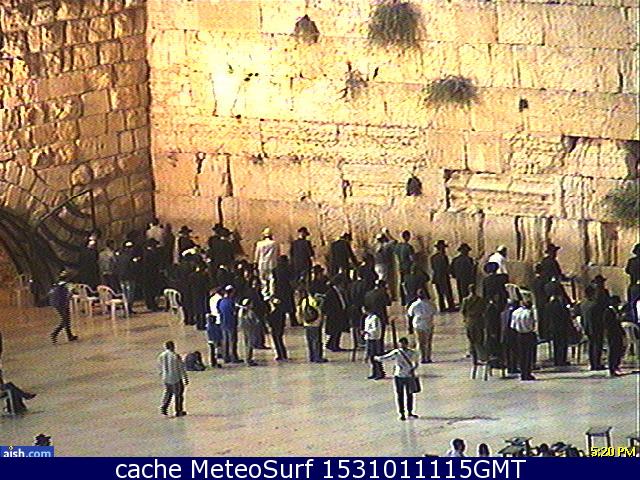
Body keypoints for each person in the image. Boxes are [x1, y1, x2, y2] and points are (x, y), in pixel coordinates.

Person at [375, 337, 419, 421]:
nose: (402, 345)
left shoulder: (407, 353)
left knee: (408, 395)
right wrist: (378, 358)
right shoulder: (399, 352)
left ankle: (409, 412)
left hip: (405, 376)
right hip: (401, 375)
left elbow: (416, 363)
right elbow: (387, 357)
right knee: (402, 395)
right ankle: (403, 413)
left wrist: (377, 358)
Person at [158, 341, 188, 417]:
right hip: (176, 378)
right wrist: (185, 378)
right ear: (172, 346)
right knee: (178, 395)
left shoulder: (161, 355)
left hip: (166, 378)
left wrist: (161, 375)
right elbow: (181, 368)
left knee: (168, 393)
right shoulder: (175, 356)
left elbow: (160, 367)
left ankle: (164, 407)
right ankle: (178, 410)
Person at [298, 288, 327, 363]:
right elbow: (319, 311)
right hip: (315, 323)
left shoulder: (304, 300)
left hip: (307, 323)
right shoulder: (315, 301)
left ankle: (311, 356)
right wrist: (321, 321)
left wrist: (301, 321)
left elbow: (300, 311)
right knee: (316, 340)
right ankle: (318, 357)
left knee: (310, 341)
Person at [510, 299, 536, 381]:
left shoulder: (515, 312)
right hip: (528, 334)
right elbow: (531, 325)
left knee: (521, 354)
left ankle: (522, 373)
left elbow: (512, 325)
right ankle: (527, 373)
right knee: (528, 355)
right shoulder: (529, 313)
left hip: (518, 335)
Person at [407, 289, 436, 364]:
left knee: (420, 342)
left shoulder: (414, 304)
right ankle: (428, 357)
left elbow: (410, 314)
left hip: (418, 324)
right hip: (428, 323)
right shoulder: (430, 304)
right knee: (428, 342)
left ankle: (422, 358)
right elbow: (434, 312)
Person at [581, 284, 605, 371]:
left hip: (587, 327)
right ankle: (597, 363)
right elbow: (599, 317)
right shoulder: (595, 304)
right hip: (596, 327)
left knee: (591, 346)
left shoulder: (583, 304)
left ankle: (592, 363)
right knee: (597, 346)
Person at [49, 271, 77, 344]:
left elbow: (51, 293)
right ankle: (55, 333)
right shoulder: (69, 284)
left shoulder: (56, 283)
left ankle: (69, 335)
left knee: (66, 319)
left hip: (55, 303)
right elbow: (71, 293)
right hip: (62, 303)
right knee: (65, 320)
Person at [460, 285, 486, 365]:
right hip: (478, 321)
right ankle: (481, 357)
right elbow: (484, 309)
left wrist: (465, 318)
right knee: (479, 340)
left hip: (469, 321)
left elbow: (463, 311)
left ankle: (474, 359)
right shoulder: (480, 300)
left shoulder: (466, 300)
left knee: (471, 340)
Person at [323, 275, 349, 352]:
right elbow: (326, 305)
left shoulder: (339, 291)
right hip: (334, 315)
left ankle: (334, 344)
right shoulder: (331, 292)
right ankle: (332, 345)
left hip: (339, 314)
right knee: (334, 331)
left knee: (338, 331)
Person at [545, 293, 571, 367]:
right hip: (562, 327)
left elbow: (546, 318)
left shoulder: (548, 305)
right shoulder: (561, 305)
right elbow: (566, 315)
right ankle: (562, 360)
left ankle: (557, 360)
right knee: (563, 344)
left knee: (556, 344)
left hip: (553, 327)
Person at [272, 255, 298, 326]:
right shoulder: (288, 269)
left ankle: (282, 322)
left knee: (281, 307)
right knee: (290, 306)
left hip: (278, 290)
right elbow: (292, 278)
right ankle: (293, 321)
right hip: (287, 289)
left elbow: (274, 280)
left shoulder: (275, 270)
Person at [430, 240, 456, 312]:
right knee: (448, 293)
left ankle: (442, 307)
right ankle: (451, 307)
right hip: (443, 277)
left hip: (436, 277)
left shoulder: (433, 257)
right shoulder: (444, 257)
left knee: (440, 294)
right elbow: (446, 268)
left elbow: (433, 267)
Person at [364, 279, 392, 345]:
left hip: (370, 315)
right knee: (380, 334)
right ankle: (379, 347)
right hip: (380, 315)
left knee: (370, 331)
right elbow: (388, 303)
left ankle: (371, 346)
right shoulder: (383, 293)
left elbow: (365, 304)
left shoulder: (368, 293)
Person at [115, 241, 140, 314]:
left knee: (124, 293)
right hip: (129, 277)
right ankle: (128, 308)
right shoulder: (130, 257)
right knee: (130, 294)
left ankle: (125, 307)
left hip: (121, 277)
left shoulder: (119, 256)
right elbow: (132, 267)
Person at [219, 286, 241, 363]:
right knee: (232, 341)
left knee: (225, 340)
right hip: (231, 323)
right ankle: (233, 357)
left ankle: (225, 357)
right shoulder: (231, 302)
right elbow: (234, 312)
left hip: (223, 323)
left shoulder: (221, 301)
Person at [255, 228, 280, 294]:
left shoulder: (259, 244)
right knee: (271, 278)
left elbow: (257, 254)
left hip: (262, 264)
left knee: (263, 279)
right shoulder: (274, 243)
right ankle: (272, 292)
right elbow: (278, 254)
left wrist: (255, 262)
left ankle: (264, 292)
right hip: (271, 264)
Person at [604, 296, 625, 377]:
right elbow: (608, 323)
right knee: (612, 350)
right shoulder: (608, 311)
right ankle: (612, 367)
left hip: (617, 333)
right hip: (611, 333)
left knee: (618, 349)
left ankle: (616, 366)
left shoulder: (616, 311)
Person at [394, 230, 415, 305]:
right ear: (407, 237)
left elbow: (396, 256)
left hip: (401, 267)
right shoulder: (408, 247)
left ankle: (402, 299)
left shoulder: (398, 246)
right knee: (408, 283)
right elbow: (412, 258)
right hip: (407, 267)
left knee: (401, 283)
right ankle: (409, 299)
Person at [141, 239, 162, 312]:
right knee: (150, 291)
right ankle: (152, 305)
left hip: (149, 275)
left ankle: (152, 304)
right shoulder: (149, 253)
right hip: (149, 275)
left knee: (150, 291)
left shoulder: (147, 253)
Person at [363, 309, 384, 379]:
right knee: (371, 357)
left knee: (376, 356)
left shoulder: (375, 318)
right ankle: (374, 372)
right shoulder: (367, 318)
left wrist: (368, 332)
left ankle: (380, 373)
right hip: (369, 338)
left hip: (374, 339)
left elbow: (375, 329)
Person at [238, 298, 260, 366]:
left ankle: (246, 358)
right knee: (250, 344)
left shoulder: (241, 311)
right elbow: (256, 321)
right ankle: (249, 359)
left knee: (246, 344)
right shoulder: (250, 312)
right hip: (251, 329)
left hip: (244, 329)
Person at [205, 289, 223, 368]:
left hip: (211, 339)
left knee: (212, 350)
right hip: (214, 338)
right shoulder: (214, 326)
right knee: (214, 350)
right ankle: (214, 362)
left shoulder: (208, 325)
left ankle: (213, 361)